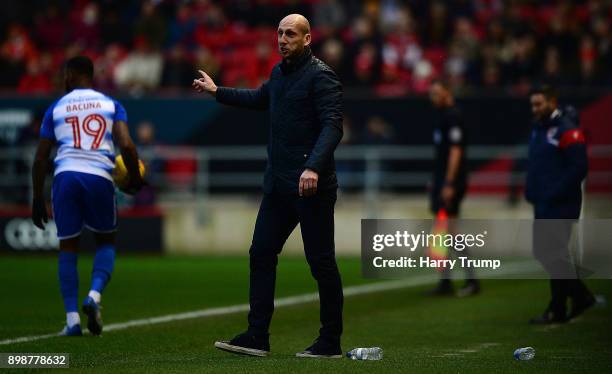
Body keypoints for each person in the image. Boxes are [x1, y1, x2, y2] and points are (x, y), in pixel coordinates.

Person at [193, 14, 344, 358]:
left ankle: (330, 341)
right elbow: (260, 98)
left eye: (290, 33)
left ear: (308, 39)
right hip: (278, 186)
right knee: (261, 253)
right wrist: (218, 91)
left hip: (310, 187)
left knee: (321, 262)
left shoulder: (322, 77)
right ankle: (257, 335)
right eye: (279, 33)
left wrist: (313, 167)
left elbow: (333, 126)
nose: (282, 39)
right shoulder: (279, 74)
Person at [31, 56, 144, 336]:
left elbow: (41, 158)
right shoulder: (110, 104)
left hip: (66, 175)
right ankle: (93, 297)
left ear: (70, 74)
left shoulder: (56, 108)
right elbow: (127, 146)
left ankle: (71, 321)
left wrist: (36, 198)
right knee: (106, 241)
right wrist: (136, 180)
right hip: (99, 175)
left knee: (68, 247)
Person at [525, 85, 595, 324]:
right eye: (533, 104)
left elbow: (579, 167)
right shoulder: (539, 128)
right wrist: (532, 190)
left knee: (551, 253)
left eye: (539, 104)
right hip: (544, 201)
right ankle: (577, 297)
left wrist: (554, 193)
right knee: (549, 253)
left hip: (560, 203)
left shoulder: (567, 129)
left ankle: (559, 307)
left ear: (552, 102)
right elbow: (537, 164)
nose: (535, 108)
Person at [427, 80, 480, 297]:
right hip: (443, 181)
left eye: (437, 93)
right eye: (431, 93)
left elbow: (455, 152)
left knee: (449, 231)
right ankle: (446, 282)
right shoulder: (443, 117)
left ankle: (471, 280)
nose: (433, 97)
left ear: (447, 93)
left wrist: (448, 183)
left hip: (452, 183)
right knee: (442, 232)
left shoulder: (453, 116)